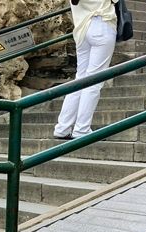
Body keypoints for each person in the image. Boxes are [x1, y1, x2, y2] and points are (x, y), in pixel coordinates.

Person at [53, 0, 118, 140]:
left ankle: (62, 127)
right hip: (102, 24)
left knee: (80, 79)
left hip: (81, 30)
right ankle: (82, 128)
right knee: (94, 82)